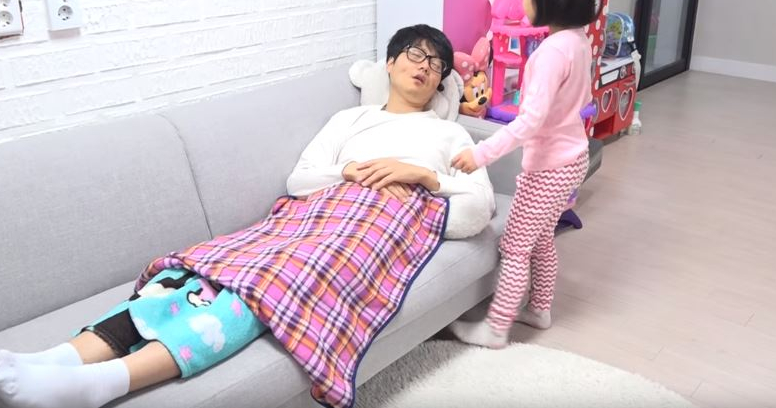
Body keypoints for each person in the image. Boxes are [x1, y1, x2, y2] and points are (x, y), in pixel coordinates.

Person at [0, 25, 494, 408]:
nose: (426, 67)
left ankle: (102, 384)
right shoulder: (350, 120)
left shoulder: (449, 135)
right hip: (313, 212)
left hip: (377, 222)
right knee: (190, 278)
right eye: (416, 54)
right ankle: (56, 360)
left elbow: (477, 211)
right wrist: (346, 172)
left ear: (440, 82)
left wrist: (424, 177)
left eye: (437, 64)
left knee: (265, 285)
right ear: (389, 63)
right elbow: (300, 180)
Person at [449, 0, 596, 348]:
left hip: (550, 166)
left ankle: (497, 328)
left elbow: (529, 122)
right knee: (542, 238)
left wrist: (480, 154)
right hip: (573, 157)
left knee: (515, 247)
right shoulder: (577, 40)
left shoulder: (551, 53)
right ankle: (540, 308)